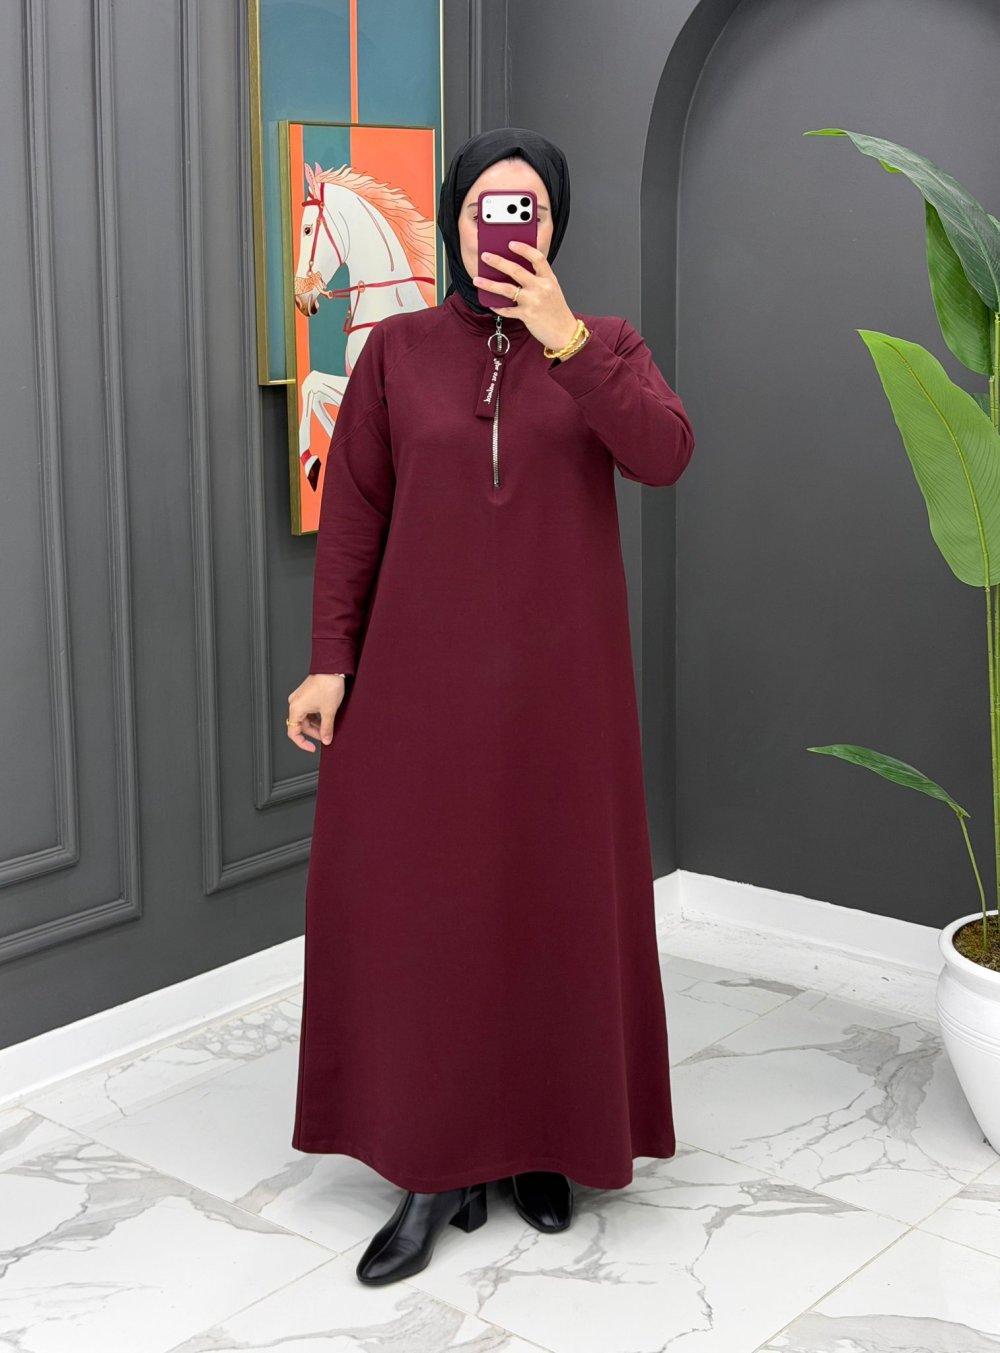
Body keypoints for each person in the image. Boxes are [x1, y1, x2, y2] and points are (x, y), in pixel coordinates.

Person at [285, 126, 695, 1287]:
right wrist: (328, 662)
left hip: (567, 700)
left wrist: (566, 340)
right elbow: (353, 517)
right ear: (456, 221)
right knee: (429, 922)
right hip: (417, 694)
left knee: (553, 913)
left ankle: (544, 1144)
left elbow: (664, 455)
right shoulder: (397, 354)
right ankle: (432, 1166)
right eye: (480, 207)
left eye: (526, 210)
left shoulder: (605, 344)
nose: (500, 228)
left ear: (553, 227)